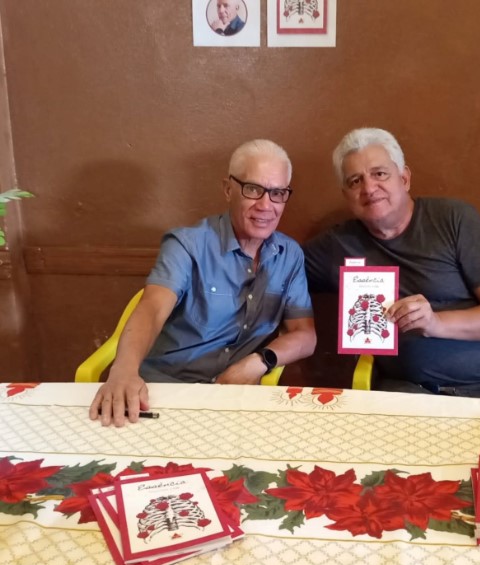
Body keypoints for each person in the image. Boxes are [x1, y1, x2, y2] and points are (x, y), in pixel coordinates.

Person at [90, 139, 316, 426]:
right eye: (253, 189)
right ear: (228, 189)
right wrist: (123, 371)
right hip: (166, 388)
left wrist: (259, 362)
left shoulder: (289, 255)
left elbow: (304, 335)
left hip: (234, 397)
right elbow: (153, 308)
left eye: (277, 193)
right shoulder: (187, 244)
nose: (265, 205)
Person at [304, 127, 480, 398]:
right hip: (410, 394)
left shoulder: (453, 219)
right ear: (346, 194)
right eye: (355, 181)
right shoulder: (337, 246)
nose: (369, 188)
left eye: (379, 174)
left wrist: (436, 323)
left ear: (404, 178)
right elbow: (278, 268)